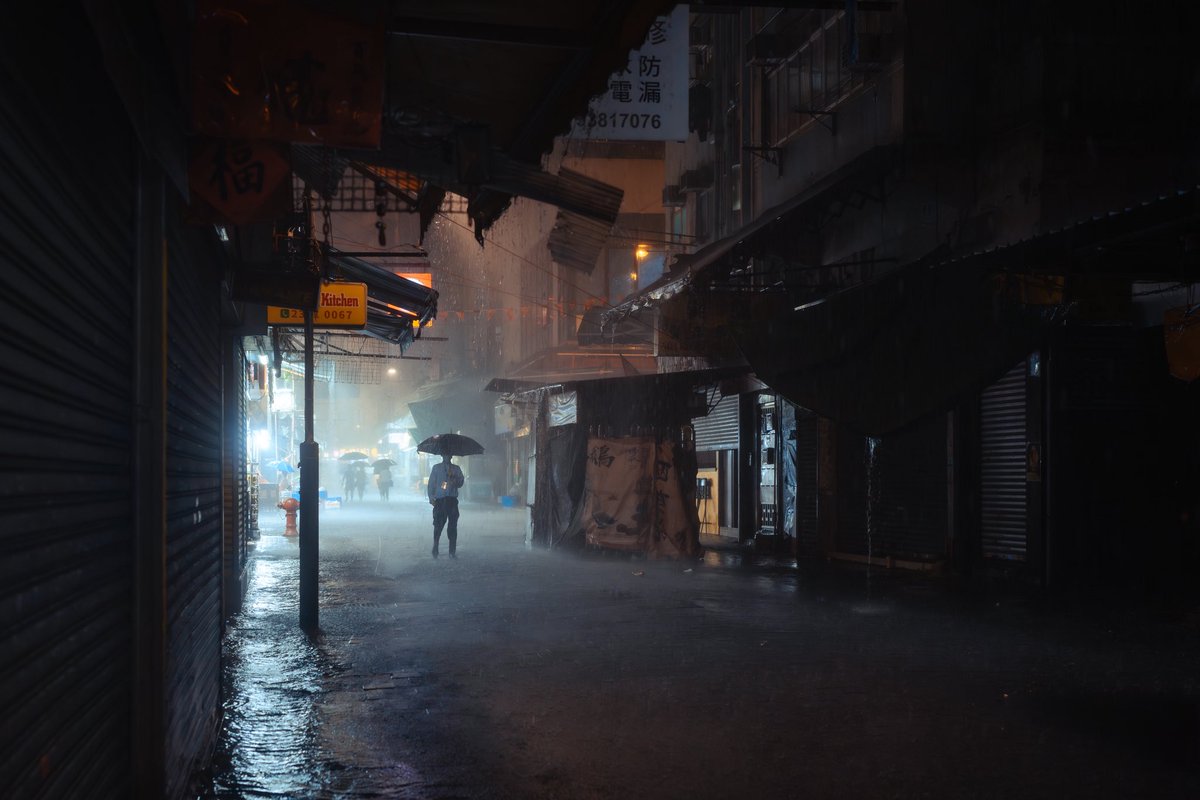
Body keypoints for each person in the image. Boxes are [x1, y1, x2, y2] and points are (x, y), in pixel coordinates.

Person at [427, 453, 464, 558]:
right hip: (440, 500)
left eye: (448, 455)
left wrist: (454, 479)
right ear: (442, 456)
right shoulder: (437, 468)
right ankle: (435, 546)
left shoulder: (456, 469)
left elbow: (461, 482)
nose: (447, 457)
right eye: (445, 455)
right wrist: (431, 497)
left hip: (452, 501)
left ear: (451, 456)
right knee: (438, 526)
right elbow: (431, 483)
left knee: (452, 527)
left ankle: (452, 551)